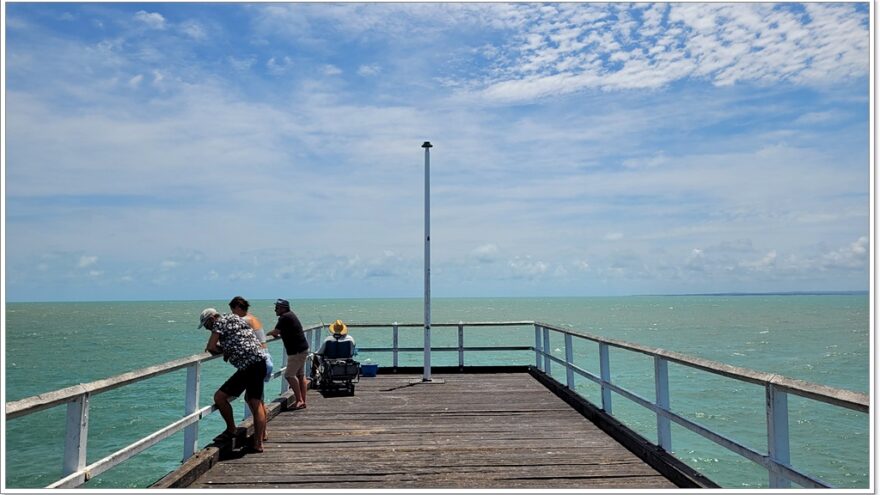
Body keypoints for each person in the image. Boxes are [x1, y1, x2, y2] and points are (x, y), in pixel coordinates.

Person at [199, 307, 268, 453]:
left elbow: (211, 346)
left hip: (249, 366)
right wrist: (228, 350)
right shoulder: (235, 318)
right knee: (255, 401)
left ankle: (235, 431)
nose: (208, 329)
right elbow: (238, 339)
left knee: (221, 397)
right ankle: (259, 439)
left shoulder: (218, 323)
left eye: (207, 325)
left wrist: (220, 350)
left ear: (212, 319)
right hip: (259, 361)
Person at [228, 296, 273, 441]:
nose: (232, 314)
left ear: (238, 308)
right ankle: (263, 433)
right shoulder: (254, 318)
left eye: (233, 310)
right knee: (258, 399)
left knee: (255, 400)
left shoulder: (244, 320)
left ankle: (260, 438)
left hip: (257, 359)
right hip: (266, 357)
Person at [266, 299, 309, 410]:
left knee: (289, 375)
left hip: (296, 352)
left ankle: (299, 400)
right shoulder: (290, 315)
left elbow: (276, 332)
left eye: (277, 307)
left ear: (284, 308)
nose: (275, 309)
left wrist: (269, 333)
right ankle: (302, 400)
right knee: (300, 375)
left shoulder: (284, 317)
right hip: (302, 349)